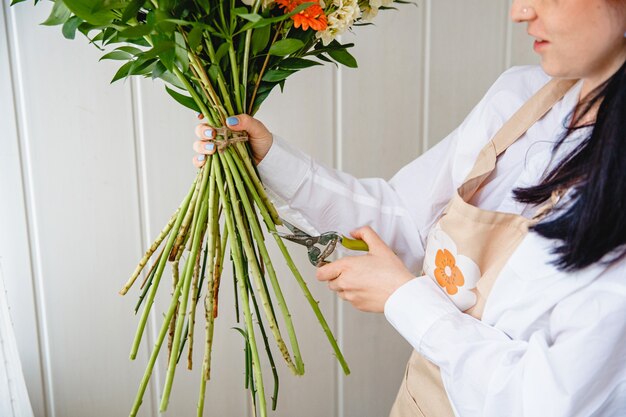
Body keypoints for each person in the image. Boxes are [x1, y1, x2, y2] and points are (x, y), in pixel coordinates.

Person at [191, 1, 626, 416]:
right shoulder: (519, 98)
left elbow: (543, 403)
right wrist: (268, 159)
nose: (519, 11)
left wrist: (406, 299)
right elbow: (403, 219)